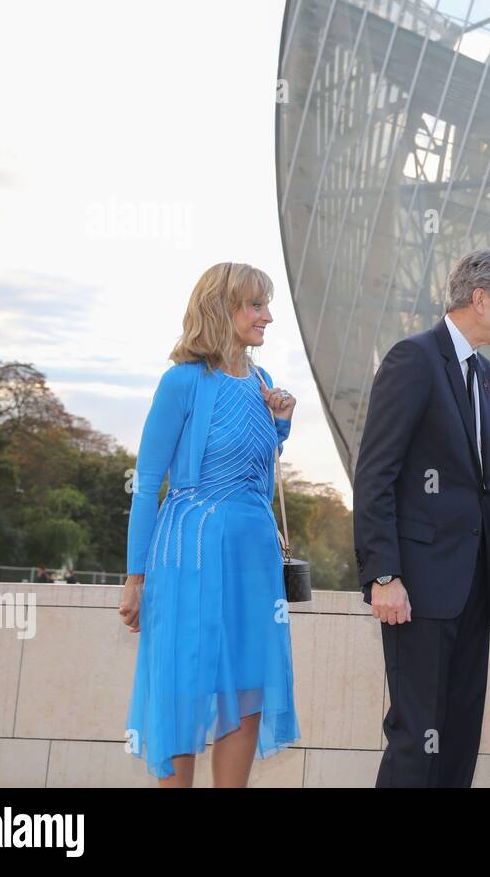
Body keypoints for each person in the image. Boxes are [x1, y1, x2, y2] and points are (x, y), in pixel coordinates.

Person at [118, 261, 300, 786]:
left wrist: (281, 424)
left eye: (267, 304)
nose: (268, 316)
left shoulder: (264, 383)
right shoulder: (182, 382)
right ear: (223, 309)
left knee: (247, 688)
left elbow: (253, 473)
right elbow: (149, 480)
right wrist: (135, 578)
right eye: (256, 305)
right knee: (183, 684)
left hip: (253, 555)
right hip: (190, 550)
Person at [354, 249, 490, 788]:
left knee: (458, 736)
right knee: (416, 734)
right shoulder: (413, 358)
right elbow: (375, 474)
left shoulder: (489, 376)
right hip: (418, 589)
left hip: (472, 590)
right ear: (480, 299)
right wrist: (384, 574)